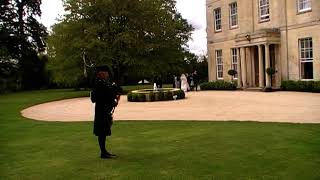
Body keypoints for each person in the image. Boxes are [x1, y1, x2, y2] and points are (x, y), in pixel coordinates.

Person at [90, 65, 122, 159]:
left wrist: (114, 100)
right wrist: (113, 100)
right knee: (102, 131)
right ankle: (103, 153)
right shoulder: (99, 84)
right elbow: (100, 97)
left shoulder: (102, 83)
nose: (108, 74)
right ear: (101, 73)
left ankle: (104, 152)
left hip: (103, 110)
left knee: (103, 131)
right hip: (102, 110)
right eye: (106, 73)